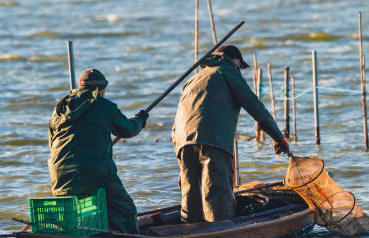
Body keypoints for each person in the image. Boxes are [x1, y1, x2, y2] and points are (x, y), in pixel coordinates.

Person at [171, 45, 289, 223]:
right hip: (213, 141)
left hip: (182, 142)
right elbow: (254, 105)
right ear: (235, 61)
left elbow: (177, 122)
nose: (240, 70)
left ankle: (189, 231)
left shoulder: (193, 79)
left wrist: (180, 158)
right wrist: (278, 137)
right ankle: (222, 230)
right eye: (240, 66)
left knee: (190, 196)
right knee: (217, 195)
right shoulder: (227, 70)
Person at [47, 69, 149, 234]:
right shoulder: (104, 106)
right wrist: (139, 119)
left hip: (59, 174)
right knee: (126, 210)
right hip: (95, 172)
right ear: (100, 89)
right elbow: (128, 130)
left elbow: (53, 142)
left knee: (88, 210)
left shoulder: (60, 108)